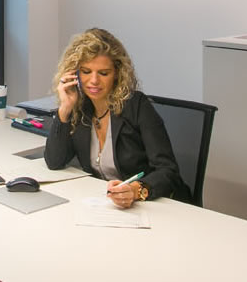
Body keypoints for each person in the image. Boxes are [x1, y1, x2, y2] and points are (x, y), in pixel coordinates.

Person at [44, 28, 190, 208]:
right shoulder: (81, 107)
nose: (94, 81)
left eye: (103, 73)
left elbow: (168, 171)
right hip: (107, 205)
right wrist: (65, 109)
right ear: (75, 73)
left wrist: (135, 190)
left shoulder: (136, 106)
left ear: (117, 74)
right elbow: (55, 161)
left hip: (152, 206)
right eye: (86, 71)